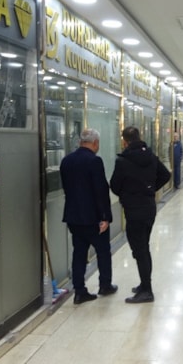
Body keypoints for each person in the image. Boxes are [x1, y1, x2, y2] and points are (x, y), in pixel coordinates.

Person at [110, 126, 171, 304]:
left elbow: (114, 186)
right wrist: (149, 189)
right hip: (149, 208)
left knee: (140, 250)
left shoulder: (123, 161)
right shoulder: (150, 156)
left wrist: (128, 193)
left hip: (133, 209)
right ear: (139, 137)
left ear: (125, 141)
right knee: (143, 247)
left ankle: (147, 290)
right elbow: (165, 175)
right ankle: (144, 284)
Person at [60, 128, 117, 305]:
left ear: (80, 142)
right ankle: (105, 285)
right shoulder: (94, 161)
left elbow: (67, 188)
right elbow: (101, 191)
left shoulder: (66, 161)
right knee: (103, 252)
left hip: (73, 217)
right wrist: (105, 217)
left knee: (79, 253)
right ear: (95, 143)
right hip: (93, 218)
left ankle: (79, 291)